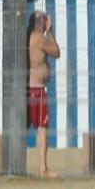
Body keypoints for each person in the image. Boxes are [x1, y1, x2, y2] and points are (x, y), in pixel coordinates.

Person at [26, 11, 60, 179]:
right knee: (42, 129)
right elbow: (56, 52)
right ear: (40, 23)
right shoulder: (40, 38)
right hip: (37, 90)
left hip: (26, 89)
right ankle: (43, 167)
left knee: (25, 128)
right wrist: (50, 32)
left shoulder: (27, 36)